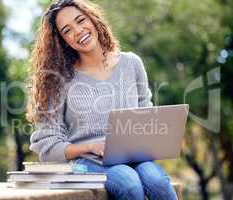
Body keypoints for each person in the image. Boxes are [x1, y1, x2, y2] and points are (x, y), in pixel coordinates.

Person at [26, 0, 178, 199]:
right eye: (67, 30)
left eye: (81, 20)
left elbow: (146, 116)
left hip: (134, 157)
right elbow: (47, 147)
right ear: (63, 41)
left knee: (158, 182)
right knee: (129, 184)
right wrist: (90, 146)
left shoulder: (131, 63)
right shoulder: (58, 80)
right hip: (86, 161)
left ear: (93, 19)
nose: (79, 30)